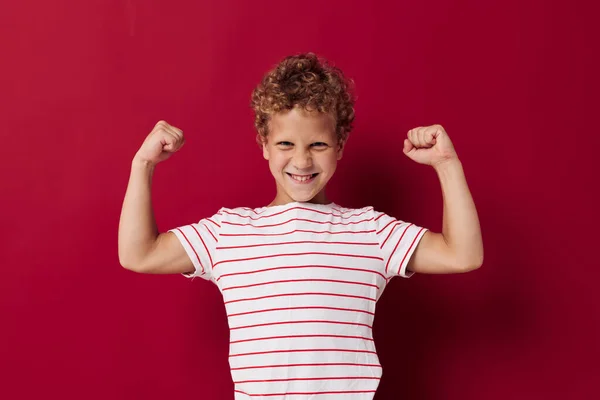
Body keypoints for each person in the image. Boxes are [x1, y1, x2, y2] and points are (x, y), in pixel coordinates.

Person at [118, 52, 483, 399]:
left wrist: (447, 165)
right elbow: (140, 253)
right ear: (265, 144)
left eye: (319, 143)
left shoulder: (370, 231)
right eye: (286, 143)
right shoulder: (228, 232)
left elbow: (462, 254)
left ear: (340, 145)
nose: (302, 159)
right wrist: (143, 164)